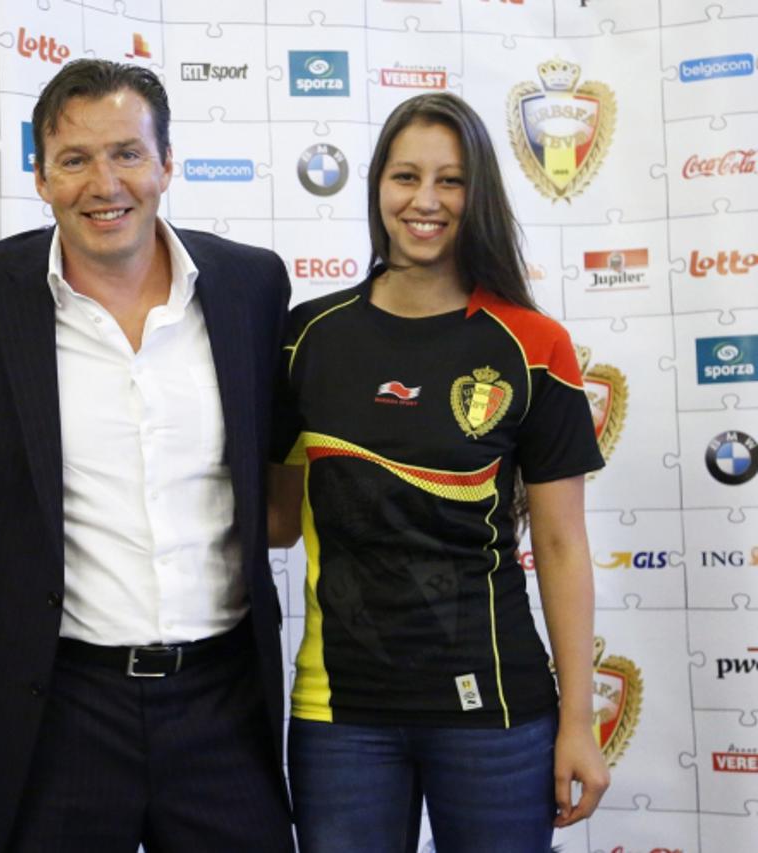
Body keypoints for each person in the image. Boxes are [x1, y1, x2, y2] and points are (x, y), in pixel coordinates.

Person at [0, 58, 292, 851]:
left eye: (127, 152)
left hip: (224, 703)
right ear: (41, 176)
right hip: (54, 708)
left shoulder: (251, 287)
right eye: (74, 159)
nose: (104, 183)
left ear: (166, 164)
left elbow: (290, 476)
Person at [267, 90, 610, 852]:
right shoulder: (306, 338)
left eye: (449, 180)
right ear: (376, 189)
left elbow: (558, 546)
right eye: (404, 177)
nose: (425, 201)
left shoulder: (532, 344)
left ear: (476, 193)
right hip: (339, 716)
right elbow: (277, 522)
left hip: (496, 713)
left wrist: (579, 719)